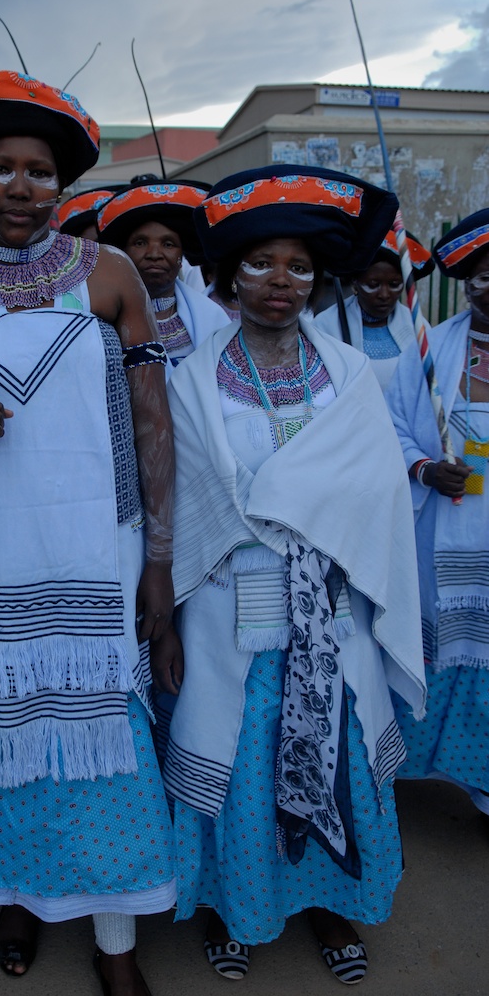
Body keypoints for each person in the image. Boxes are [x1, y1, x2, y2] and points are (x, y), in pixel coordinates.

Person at [0, 69, 176, 995]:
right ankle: (18, 893)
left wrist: (159, 565)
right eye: (0, 169)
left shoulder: (110, 274)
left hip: (100, 550)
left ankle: (115, 944)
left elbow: (152, 427)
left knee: (106, 755)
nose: (19, 187)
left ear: (64, 186)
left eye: (38, 172)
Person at [152, 166, 426, 985]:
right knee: (237, 753)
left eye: (299, 267)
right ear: (228, 276)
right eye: (262, 264)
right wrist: (165, 616)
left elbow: (372, 489)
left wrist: (295, 513)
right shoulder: (190, 380)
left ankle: (332, 904)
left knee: (336, 746)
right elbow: (182, 498)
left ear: (317, 280)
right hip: (228, 606)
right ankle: (237, 909)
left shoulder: (346, 374)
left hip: (331, 610)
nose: (281, 282)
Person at [386, 208, 489, 818]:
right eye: (484, 278)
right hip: (440, 535)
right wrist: (425, 468)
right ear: (468, 284)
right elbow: (392, 427)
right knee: (437, 653)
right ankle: (411, 768)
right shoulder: (429, 351)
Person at [97, 180, 229, 367]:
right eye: (140, 243)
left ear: (181, 254)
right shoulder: (101, 318)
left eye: (168, 244)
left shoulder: (213, 319)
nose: (154, 254)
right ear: (123, 251)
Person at [315, 229, 433, 390]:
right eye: (373, 285)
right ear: (355, 283)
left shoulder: (417, 326)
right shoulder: (325, 327)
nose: (384, 295)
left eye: (394, 285)